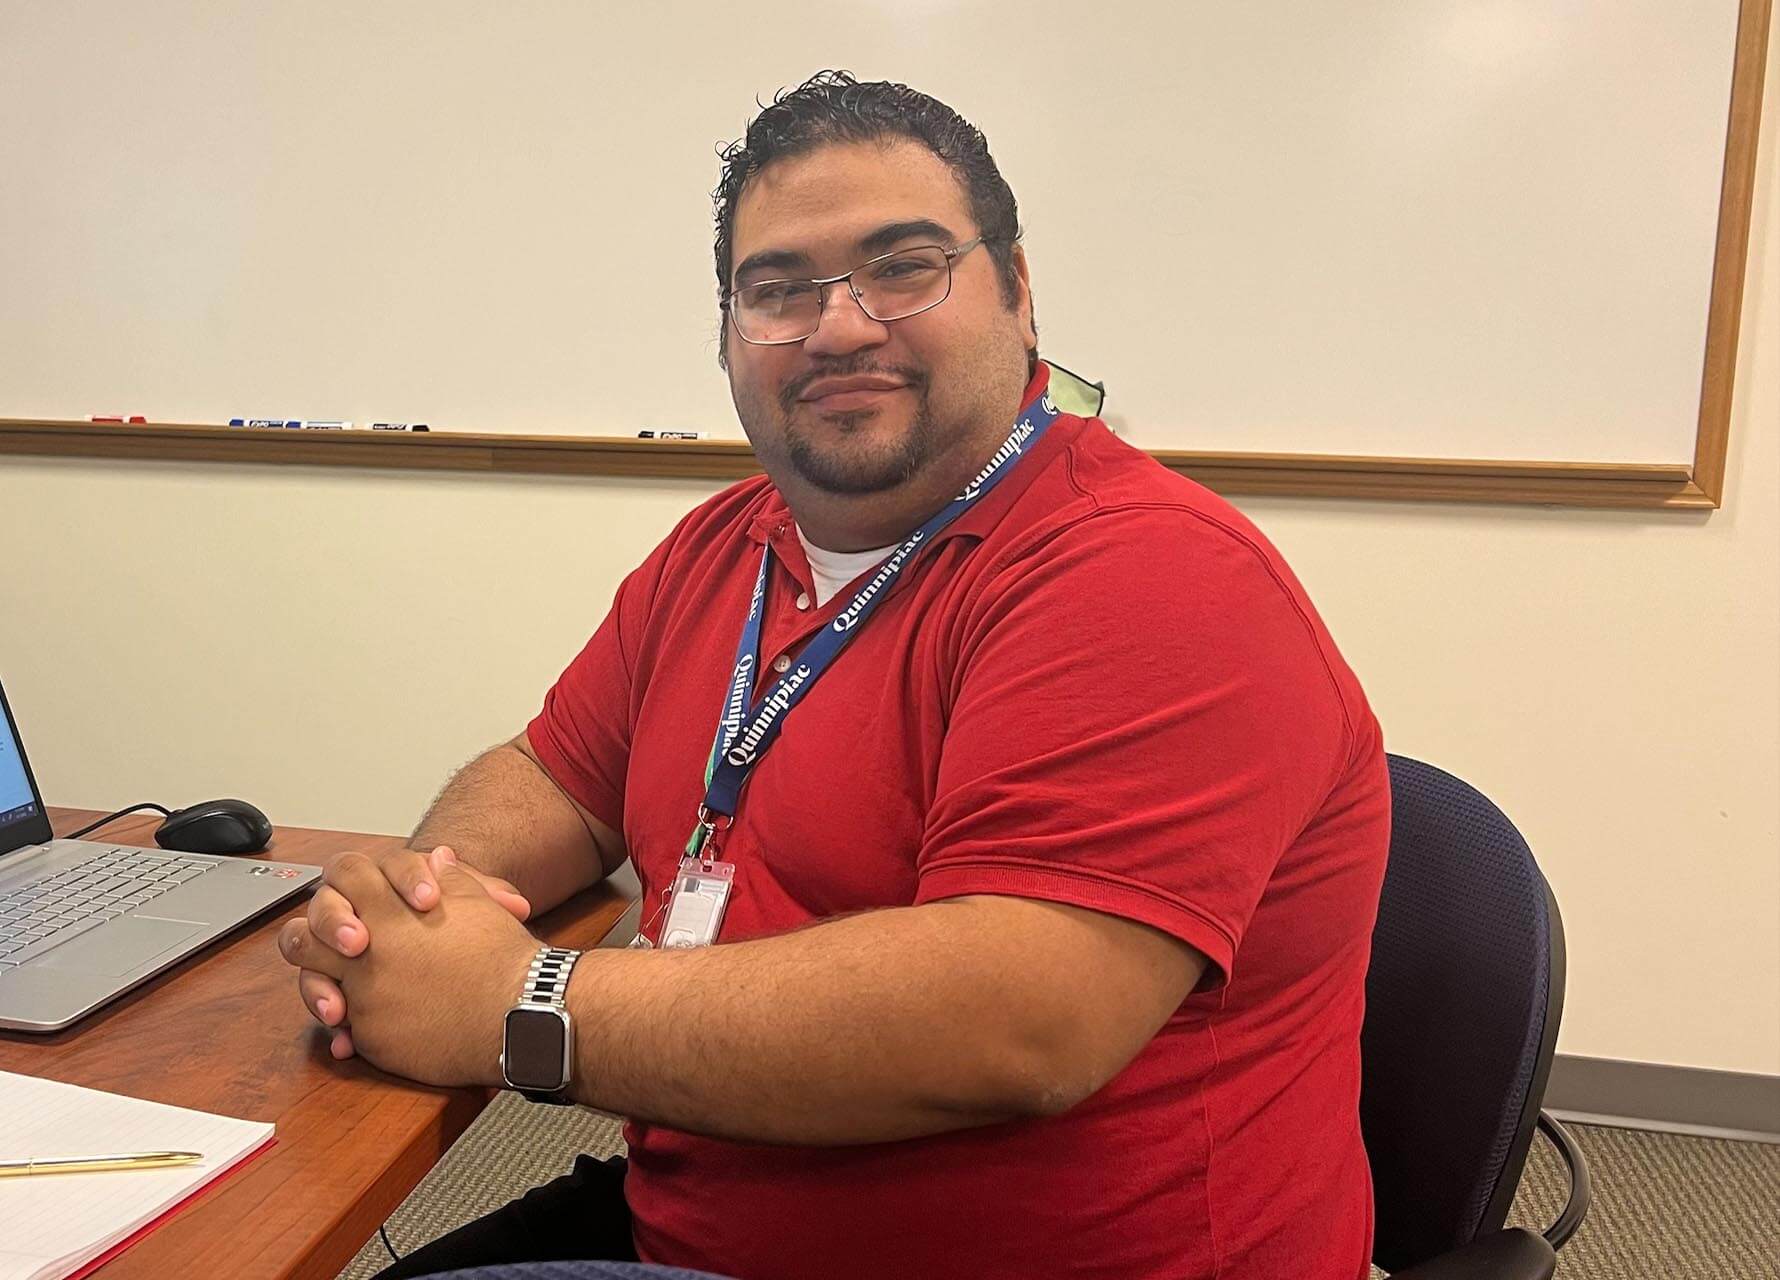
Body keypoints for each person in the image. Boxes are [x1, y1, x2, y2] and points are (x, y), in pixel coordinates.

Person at [278, 70, 1391, 1280]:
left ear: (1018, 292)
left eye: (902, 266)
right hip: (707, 1213)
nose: (840, 325)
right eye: (777, 289)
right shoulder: (725, 547)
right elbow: (554, 770)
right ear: (726, 333)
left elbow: (1016, 1022)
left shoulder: (1151, 572)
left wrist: (524, 1000)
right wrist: (417, 901)